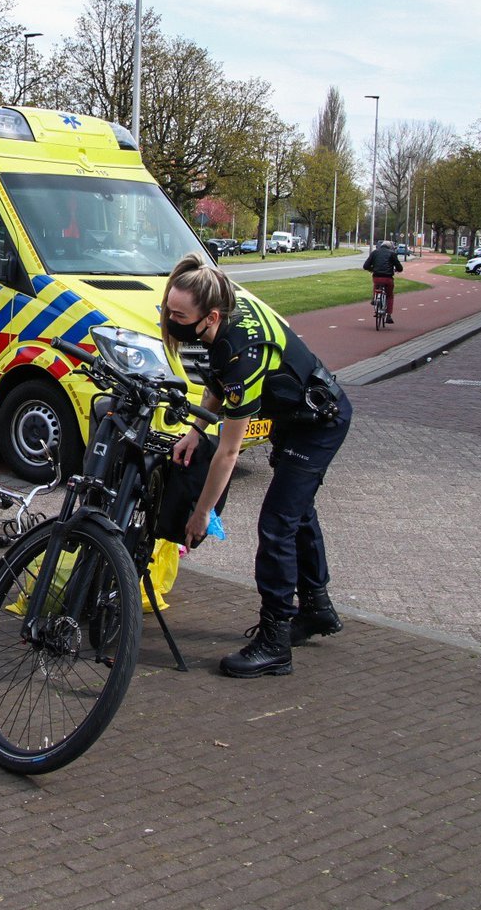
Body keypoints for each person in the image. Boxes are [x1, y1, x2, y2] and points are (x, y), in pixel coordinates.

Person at [162, 252, 352, 678]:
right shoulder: (227, 312)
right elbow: (218, 382)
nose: (171, 320)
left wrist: (201, 513)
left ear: (210, 316)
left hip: (319, 425)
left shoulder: (243, 351)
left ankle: (274, 641)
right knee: (298, 512)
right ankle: (317, 608)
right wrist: (195, 429)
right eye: (169, 310)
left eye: (179, 314)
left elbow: (228, 453)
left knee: (277, 523)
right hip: (295, 419)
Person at [362, 239, 404, 323]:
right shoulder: (392, 254)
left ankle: (375, 299)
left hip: (377, 277)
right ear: (390, 247)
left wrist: (372, 269)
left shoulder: (374, 253)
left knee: (376, 285)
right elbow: (400, 268)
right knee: (389, 296)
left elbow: (365, 266)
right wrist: (396, 270)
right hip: (388, 278)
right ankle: (388, 315)